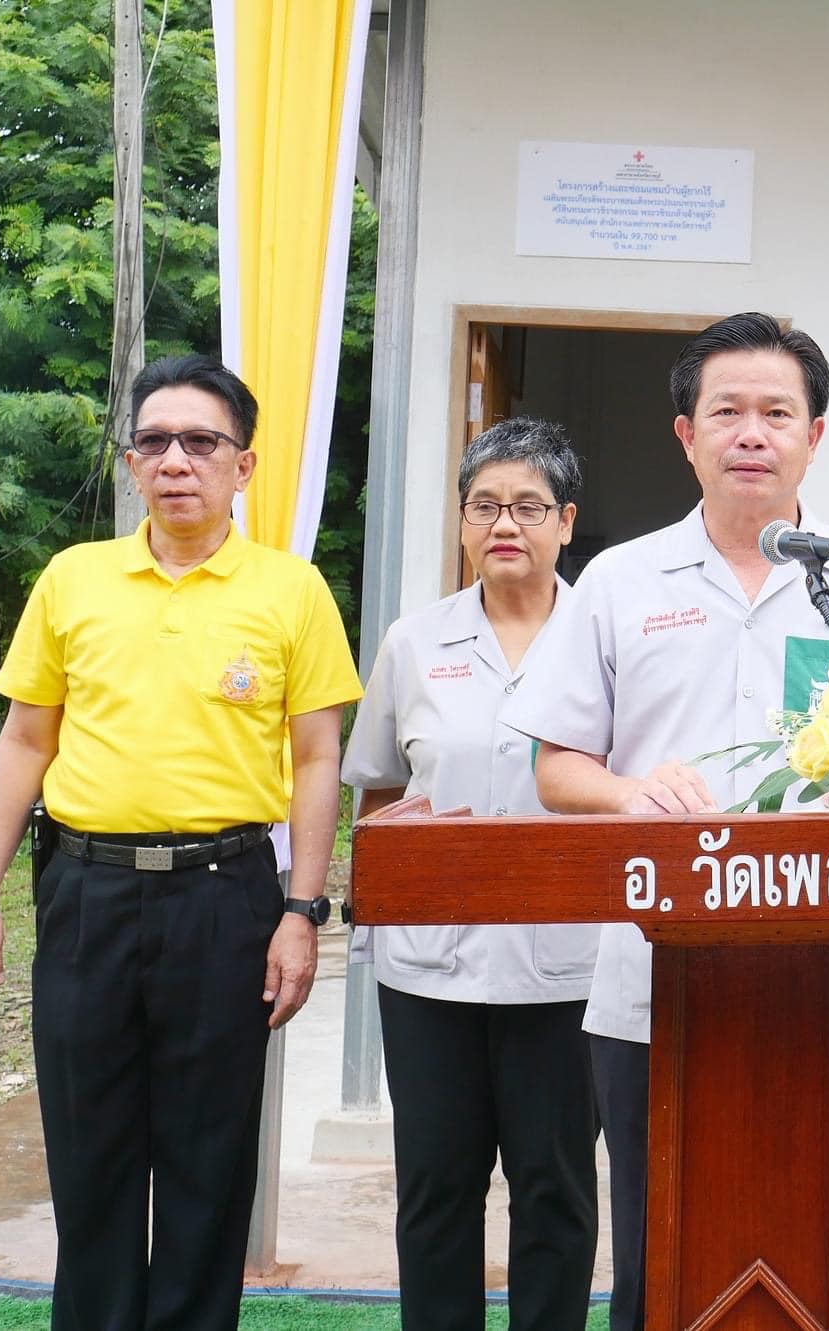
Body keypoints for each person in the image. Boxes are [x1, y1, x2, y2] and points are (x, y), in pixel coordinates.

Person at [498, 311, 829, 1331]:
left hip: (820, 966)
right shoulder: (619, 579)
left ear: (813, 436)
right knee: (656, 1248)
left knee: (815, 1235)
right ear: (684, 434)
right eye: (725, 410)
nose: (752, 432)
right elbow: (556, 766)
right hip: (649, 973)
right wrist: (631, 792)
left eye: (776, 412)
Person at [0, 354, 360, 1331]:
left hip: (225, 900)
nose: (176, 460)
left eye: (201, 441)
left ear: (243, 465)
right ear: (132, 461)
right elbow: (24, 741)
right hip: (85, 894)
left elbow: (314, 761)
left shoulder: (290, 590)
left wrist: (302, 910)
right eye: (155, 441)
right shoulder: (73, 578)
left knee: (207, 1161)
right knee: (88, 1156)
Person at [342, 418, 602, 1331]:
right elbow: (377, 795)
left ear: (566, 520)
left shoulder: (602, 638)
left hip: (567, 970)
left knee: (556, 1194)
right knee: (436, 1194)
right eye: (484, 505)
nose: (506, 524)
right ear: (460, 522)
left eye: (529, 506)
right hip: (430, 972)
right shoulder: (415, 643)